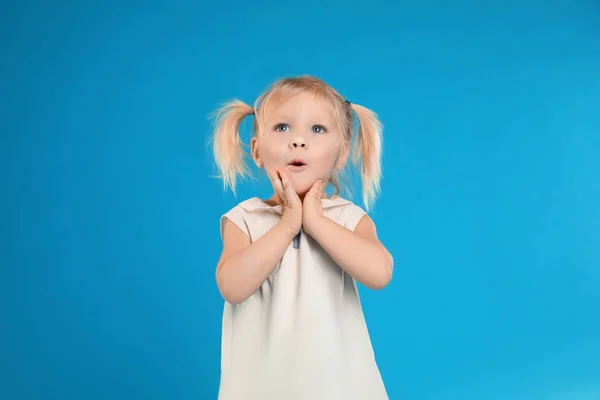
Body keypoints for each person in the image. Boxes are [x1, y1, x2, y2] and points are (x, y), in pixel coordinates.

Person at [209, 75, 393, 400]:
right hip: (262, 388)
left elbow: (379, 273)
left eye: (317, 129)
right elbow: (232, 287)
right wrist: (286, 227)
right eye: (282, 128)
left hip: (339, 387)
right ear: (257, 151)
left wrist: (316, 222)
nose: (298, 141)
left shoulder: (348, 219)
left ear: (341, 154)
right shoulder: (245, 220)